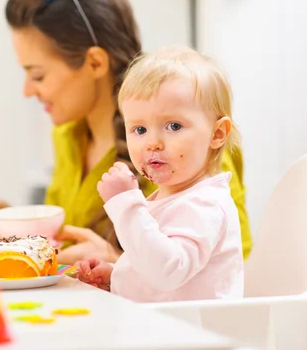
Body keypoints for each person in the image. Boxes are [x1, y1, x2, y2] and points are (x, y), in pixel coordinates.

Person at [0, 0, 252, 264]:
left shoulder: (188, 143)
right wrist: (6, 220)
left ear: (95, 62)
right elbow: (70, 244)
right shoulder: (68, 136)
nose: (27, 90)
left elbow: (231, 269)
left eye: (38, 75)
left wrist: (114, 260)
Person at [75, 46, 244, 302]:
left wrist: (125, 205)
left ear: (217, 134)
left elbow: (167, 272)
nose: (152, 143)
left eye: (174, 126)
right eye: (139, 130)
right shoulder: (174, 197)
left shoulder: (205, 204)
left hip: (199, 338)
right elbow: (158, 271)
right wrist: (116, 277)